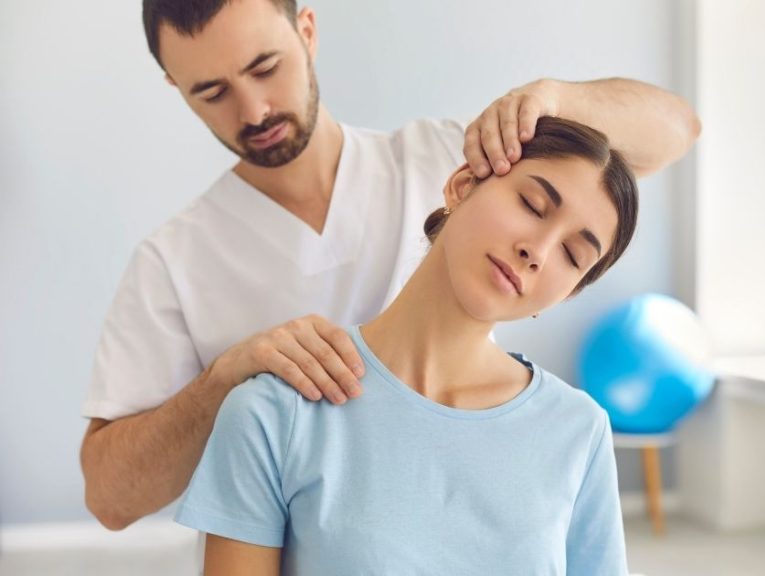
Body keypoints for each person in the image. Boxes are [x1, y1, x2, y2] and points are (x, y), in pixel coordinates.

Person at [80, 0, 701, 533]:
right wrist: (225, 381)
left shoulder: (448, 158)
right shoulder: (173, 261)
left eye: (265, 67)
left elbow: (675, 129)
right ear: (174, 85)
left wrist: (554, 98)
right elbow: (110, 499)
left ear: (307, 32)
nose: (255, 111)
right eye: (211, 92)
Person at [176, 116, 637, 575]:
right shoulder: (276, 412)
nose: (537, 250)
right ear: (462, 185)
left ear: (568, 292)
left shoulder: (579, 432)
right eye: (533, 205)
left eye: (572, 256)